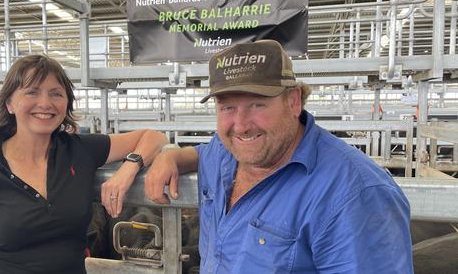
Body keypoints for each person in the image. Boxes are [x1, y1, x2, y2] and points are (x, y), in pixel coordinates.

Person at [145, 40, 413, 273]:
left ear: (294, 101)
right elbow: (204, 153)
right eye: (227, 107)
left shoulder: (354, 194)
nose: (240, 125)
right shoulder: (226, 151)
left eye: (257, 104)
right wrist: (172, 157)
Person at [0, 54, 168, 274]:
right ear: (9, 103)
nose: (45, 103)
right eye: (32, 92)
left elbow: (154, 136)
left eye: (56, 94)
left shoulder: (80, 151)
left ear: (67, 103)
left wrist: (128, 169)